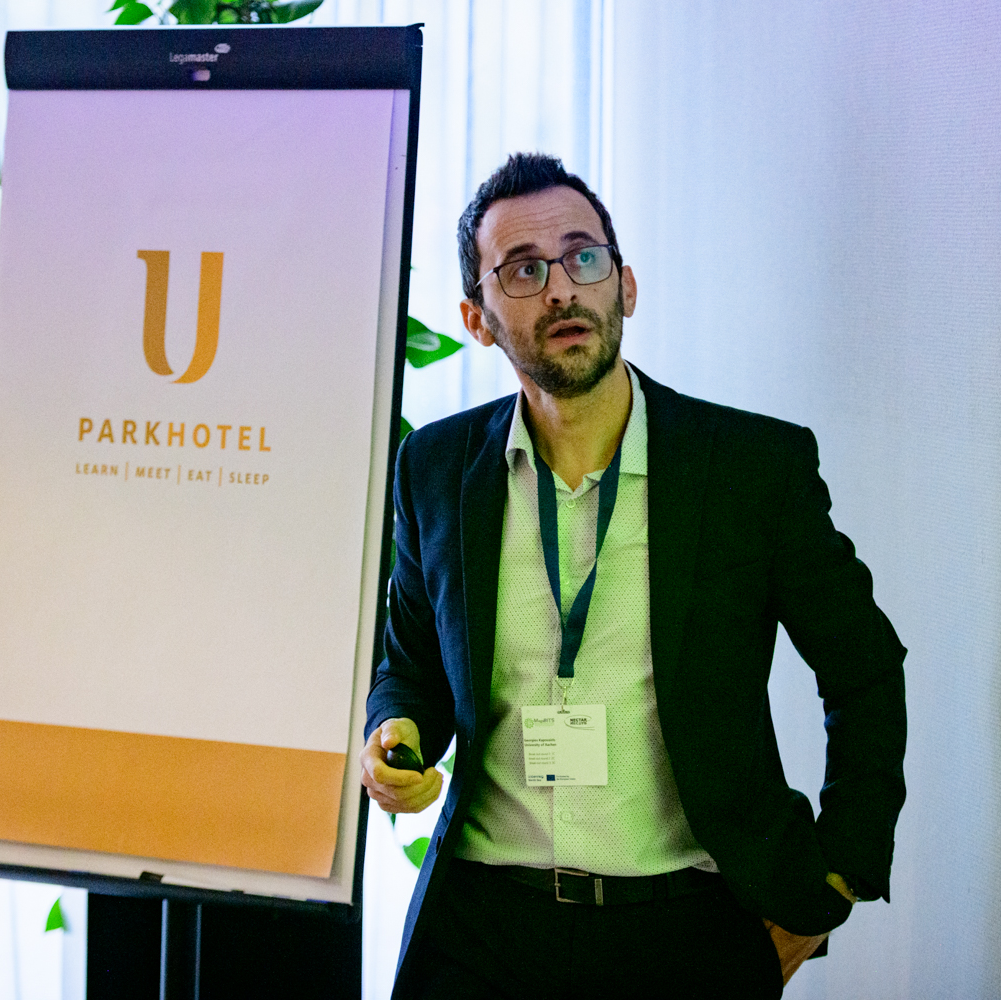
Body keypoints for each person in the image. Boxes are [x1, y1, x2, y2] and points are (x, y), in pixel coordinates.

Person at [362, 153, 907, 999]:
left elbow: (863, 667)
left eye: (583, 258)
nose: (561, 290)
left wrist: (839, 876)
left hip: (685, 931)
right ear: (477, 319)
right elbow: (411, 664)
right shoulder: (435, 469)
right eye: (523, 270)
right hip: (480, 932)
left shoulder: (750, 470)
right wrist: (395, 734)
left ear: (625, 285)